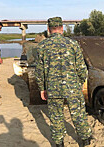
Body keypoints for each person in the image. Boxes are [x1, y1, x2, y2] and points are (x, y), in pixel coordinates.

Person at [33, 17, 92, 147]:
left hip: (53, 89)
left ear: (49, 30)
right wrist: (80, 83)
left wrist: (42, 88)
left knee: (56, 116)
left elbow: (39, 71)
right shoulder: (73, 44)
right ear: (62, 29)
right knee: (78, 114)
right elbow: (82, 68)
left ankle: (59, 143)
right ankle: (85, 139)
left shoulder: (42, 46)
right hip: (73, 87)